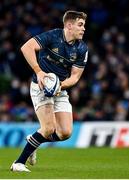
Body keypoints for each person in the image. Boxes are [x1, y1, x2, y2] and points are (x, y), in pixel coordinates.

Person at [10, 10, 88, 172]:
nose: (83, 29)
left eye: (84, 25)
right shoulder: (53, 36)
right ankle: (18, 163)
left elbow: (75, 77)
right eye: (80, 25)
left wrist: (60, 86)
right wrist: (39, 71)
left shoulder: (82, 48)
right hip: (40, 87)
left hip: (59, 89)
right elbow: (27, 48)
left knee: (65, 133)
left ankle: (34, 140)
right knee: (48, 129)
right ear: (69, 25)